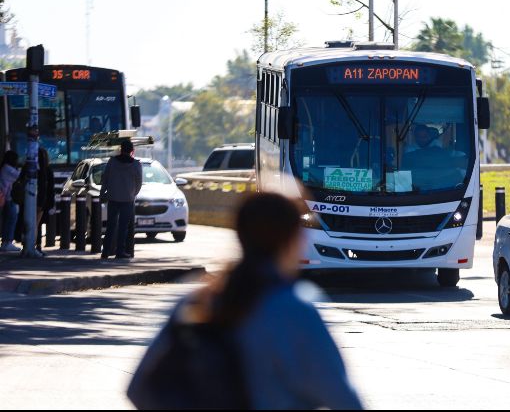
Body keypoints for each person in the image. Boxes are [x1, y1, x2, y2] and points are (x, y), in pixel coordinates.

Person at [128, 193, 363, 410]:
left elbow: (139, 389)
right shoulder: (296, 308)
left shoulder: (197, 301)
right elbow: (343, 400)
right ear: (293, 239)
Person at [100, 140, 142, 259]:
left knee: (111, 226)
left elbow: (105, 179)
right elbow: (139, 183)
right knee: (123, 227)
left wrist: (103, 193)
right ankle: (120, 251)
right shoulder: (136, 164)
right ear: (132, 151)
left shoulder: (112, 162)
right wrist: (133, 194)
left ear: (121, 149)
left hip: (113, 197)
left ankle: (106, 251)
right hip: (127, 199)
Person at [0, 150, 21, 252]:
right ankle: (8, 241)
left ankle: (5, 242)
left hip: (6, 197)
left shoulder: (4, 168)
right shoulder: (8, 169)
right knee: (11, 220)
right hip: (9, 198)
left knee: (7, 220)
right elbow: (19, 176)